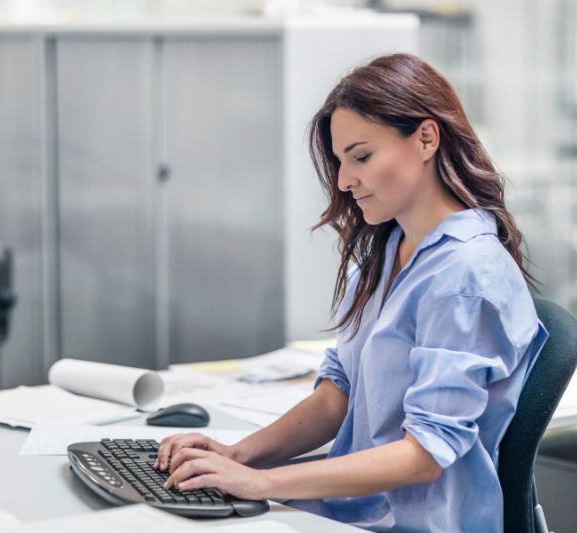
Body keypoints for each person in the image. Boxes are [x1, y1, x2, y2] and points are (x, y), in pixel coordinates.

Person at [153, 52, 549, 533]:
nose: (344, 181)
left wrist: (262, 483)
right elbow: (335, 396)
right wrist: (237, 455)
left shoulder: (466, 274)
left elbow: (425, 455)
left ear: (426, 138)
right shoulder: (388, 248)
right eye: (341, 161)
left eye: (361, 156)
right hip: (351, 512)